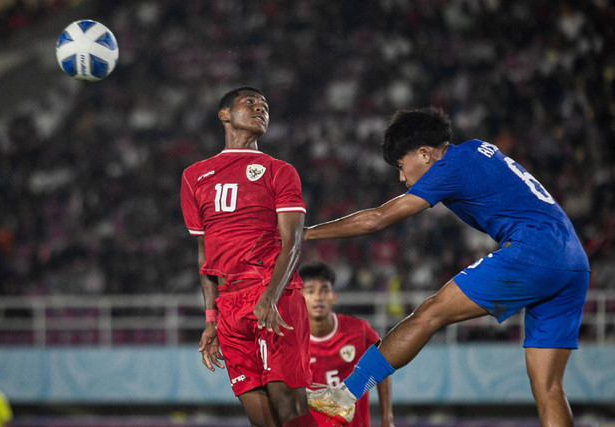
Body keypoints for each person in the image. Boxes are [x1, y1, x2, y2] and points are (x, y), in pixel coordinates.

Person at [305, 107, 590, 427]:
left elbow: (378, 219)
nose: (402, 177)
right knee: (549, 388)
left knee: (429, 313)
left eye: (401, 166)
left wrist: (306, 233)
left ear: (425, 153)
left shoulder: (449, 166)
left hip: (535, 251)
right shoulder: (476, 149)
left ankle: (345, 395)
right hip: (573, 261)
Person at [180, 87, 317, 426]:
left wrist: (270, 296)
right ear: (224, 114)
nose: (260, 109)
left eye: (265, 105)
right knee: (262, 420)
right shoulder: (194, 176)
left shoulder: (279, 171)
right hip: (228, 305)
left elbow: (294, 241)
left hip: (273, 293)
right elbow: (204, 252)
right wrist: (211, 318)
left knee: (289, 406)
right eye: (250, 103)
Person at [299, 261, 394, 427]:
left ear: (333, 297)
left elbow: (383, 365)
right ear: (300, 297)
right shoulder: (292, 339)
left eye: (324, 290)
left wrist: (387, 417)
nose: (318, 297)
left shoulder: (358, 330)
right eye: (311, 291)